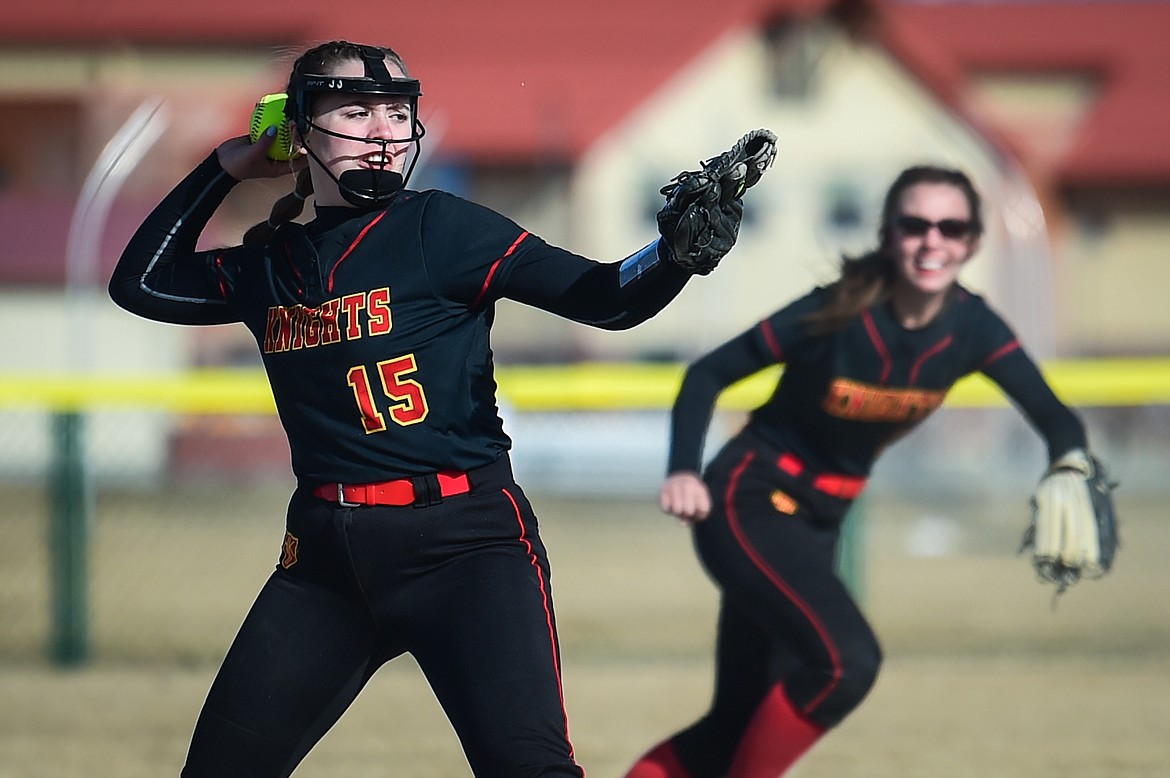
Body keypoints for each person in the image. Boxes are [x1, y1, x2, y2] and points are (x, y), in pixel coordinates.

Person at [109, 40, 750, 778]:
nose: (383, 131)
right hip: (325, 560)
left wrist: (670, 258)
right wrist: (228, 164)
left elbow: (605, 298)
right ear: (298, 130)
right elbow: (140, 283)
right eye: (355, 111)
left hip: (466, 546)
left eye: (396, 112)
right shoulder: (267, 264)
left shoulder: (445, 229)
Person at [623, 165, 1107, 778]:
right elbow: (706, 375)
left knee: (735, 724)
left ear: (972, 243)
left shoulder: (973, 328)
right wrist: (682, 470)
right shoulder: (840, 310)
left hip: (820, 521)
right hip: (750, 495)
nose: (932, 241)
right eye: (915, 225)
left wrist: (1068, 460)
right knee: (846, 663)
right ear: (889, 235)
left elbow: (1055, 416)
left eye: (951, 227)